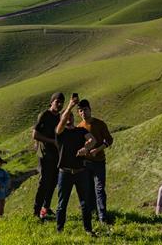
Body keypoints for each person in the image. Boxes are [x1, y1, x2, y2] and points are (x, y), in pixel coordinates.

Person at [54, 95, 97, 234]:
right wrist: (70, 105)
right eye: (67, 116)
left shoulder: (80, 131)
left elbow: (93, 140)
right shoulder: (60, 133)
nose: (69, 118)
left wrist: (87, 148)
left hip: (80, 172)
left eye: (71, 116)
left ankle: (88, 230)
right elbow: (61, 124)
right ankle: (60, 230)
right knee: (62, 204)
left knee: (85, 203)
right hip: (65, 173)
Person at [77, 99, 114, 224]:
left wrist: (98, 149)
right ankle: (93, 213)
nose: (83, 113)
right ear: (78, 113)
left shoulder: (100, 124)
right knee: (89, 190)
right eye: (81, 111)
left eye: (85, 110)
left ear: (90, 110)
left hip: (99, 161)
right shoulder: (79, 127)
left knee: (99, 189)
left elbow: (109, 140)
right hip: (86, 163)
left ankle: (103, 216)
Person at [32, 92, 64, 220]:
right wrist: (52, 141)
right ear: (52, 102)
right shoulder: (44, 115)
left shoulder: (60, 117)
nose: (59, 104)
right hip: (45, 154)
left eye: (62, 102)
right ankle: (36, 211)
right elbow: (35, 134)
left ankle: (46, 208)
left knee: (53, 182)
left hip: (56, 155)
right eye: (57, 102)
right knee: (44, 182)